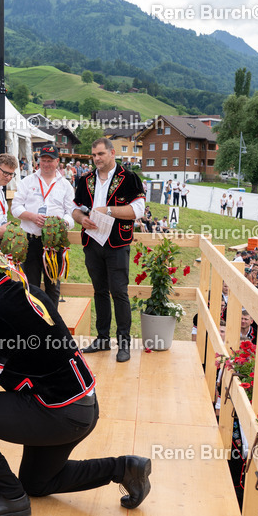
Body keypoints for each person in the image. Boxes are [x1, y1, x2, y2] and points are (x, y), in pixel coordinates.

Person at [0, 239, 152, 516]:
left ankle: (9, 496)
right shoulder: (24, 289)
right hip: (82, 406)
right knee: (36, 484)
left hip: (59, 413)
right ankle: (124, 468)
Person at [72, 138, 145, 362]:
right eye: (94, 155)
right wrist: (82, 219)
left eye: (101, 154)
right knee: (99, 291)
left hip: (117, 243)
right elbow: (75, 209)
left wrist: (109, 211)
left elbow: (138, 210)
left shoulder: (130, 177)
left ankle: (123, 343)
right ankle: (102, 338)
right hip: (92, 242)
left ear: (113, 153)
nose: (97, 159)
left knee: (120, 292)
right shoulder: (85, 179)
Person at [11, 143, 75, 305]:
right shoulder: (28, 181)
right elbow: (15, 208)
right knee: (31, 285)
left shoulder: (65, 185)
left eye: (50, 160)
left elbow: (72, 213)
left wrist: (61, 224)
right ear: (39, 161)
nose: (46, 164)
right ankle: (34, 323)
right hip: (31, 240)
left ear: (57, 162)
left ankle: (53, 325)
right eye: (43, 160)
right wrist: (31, 216)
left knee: (53, 285)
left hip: (54, 242)